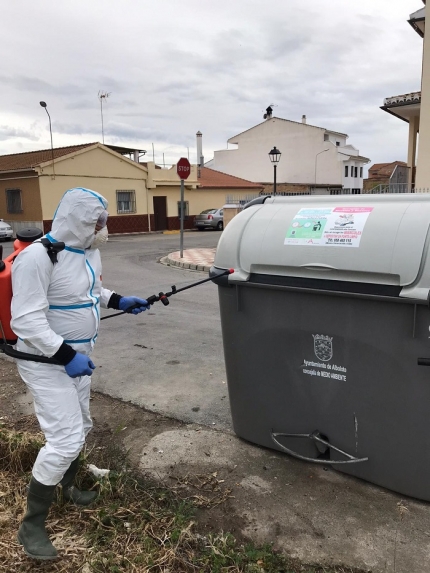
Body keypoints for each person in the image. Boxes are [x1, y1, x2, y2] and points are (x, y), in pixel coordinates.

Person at [11, 187, 148, 560]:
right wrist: (65, 353)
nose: (104, 228)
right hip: (46, 362)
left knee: (82, 425)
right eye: (97, 221)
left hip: (79, 358)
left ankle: (69, 487)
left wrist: (120, 300)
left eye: (104, 221)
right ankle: (31, 526)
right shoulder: (37, 258)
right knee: (65, 439)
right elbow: (24, 319)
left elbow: (94, 290)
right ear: (78, 220)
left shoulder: (89, 252)